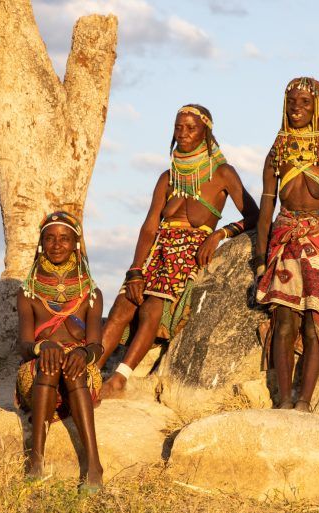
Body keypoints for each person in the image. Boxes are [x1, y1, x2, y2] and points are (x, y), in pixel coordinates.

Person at [96, 104, 259, 397]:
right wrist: (134, 270)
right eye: (178, 127)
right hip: (157, 251)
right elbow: (149, 227)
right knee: (122, 307)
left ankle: (119, 379)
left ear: (206, 132)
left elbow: (255, 216)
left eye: (191, 128)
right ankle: (89, 375)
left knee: (151, 309)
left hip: (190, 251)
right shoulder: (167, 177)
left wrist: (220, 234)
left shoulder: (222, 173)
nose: (183, 133)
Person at [255, 77, 319, 412]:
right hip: (285, 242)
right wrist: (259, 260)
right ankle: (284, 400)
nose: (297, 109)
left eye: (305, 103)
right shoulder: (277, 152)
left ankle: (304, 401)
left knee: (316, 322)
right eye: (292, 102)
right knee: (284, 322)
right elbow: (267, 207)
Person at [15, 211, 104, 493]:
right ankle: (36, 461)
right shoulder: (28, 292)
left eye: (65, 239)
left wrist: (84, 355)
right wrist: (43, 347)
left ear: (76, 245)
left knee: (73, 369)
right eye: (50, 238)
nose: (56, 244)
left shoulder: (91, 293)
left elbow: (96, 345)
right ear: (41, 243)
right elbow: (24, 345)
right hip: (39, 373)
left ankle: (93, 464)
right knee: (51, 364)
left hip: (79, 374)